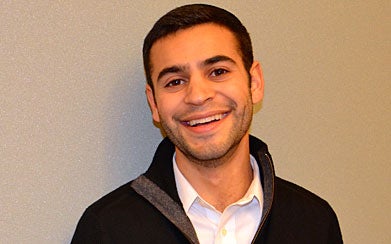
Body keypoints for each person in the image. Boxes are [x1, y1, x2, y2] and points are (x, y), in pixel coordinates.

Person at [71, 4, 343, 243]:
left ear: (255, 83)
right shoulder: (105, 230)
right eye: (175, 81)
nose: (198, 96)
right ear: (154, 103)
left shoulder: (314, 222)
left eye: (218, 72)